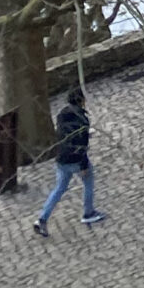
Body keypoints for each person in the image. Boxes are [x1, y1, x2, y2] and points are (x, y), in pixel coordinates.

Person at [34, 86, 106, 235]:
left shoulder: (62, 114)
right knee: (88, 182)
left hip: (61, 159)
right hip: (75, 161)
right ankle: (88, 213)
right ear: (81, 100)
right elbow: (82, 145)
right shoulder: (82, 120)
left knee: (59, 188)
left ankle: (42, 219)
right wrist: (84, 165)